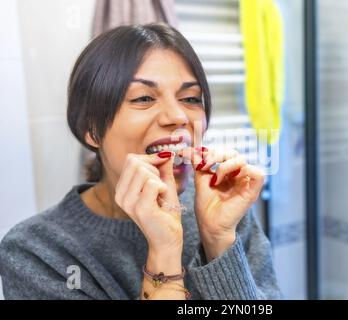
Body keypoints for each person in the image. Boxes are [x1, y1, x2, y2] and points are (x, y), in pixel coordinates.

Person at [0, 23, 282, 300]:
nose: (179, 117)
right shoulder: (36, 251)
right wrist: (164, 252)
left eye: (191, 98)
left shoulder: (220, 209)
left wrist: (218, 240)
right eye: (144, 98)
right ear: (92, 128)